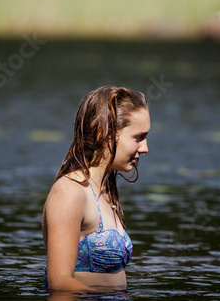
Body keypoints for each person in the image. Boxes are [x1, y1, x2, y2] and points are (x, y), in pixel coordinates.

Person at [41, 86, 150, 291]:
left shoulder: (104, 192)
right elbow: (59, 283)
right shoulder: (69, 192)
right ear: (104, 133)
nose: (145, 148)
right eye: (138, 137)